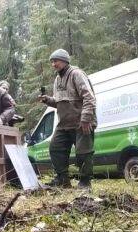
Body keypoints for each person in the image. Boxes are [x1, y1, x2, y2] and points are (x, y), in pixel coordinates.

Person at [38, 49, 97, 189]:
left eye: (55, 61)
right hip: (64, 124)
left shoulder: (76, 74)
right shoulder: (57, 79)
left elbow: (89, 98)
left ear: (65, 61)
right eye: (52, 62)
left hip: (81, 122)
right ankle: (63, 180)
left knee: (84, 152)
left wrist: (86, 118)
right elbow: (59, 103)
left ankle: (85, 182)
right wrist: (48, 100)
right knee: (55, 148)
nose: (53, 64)